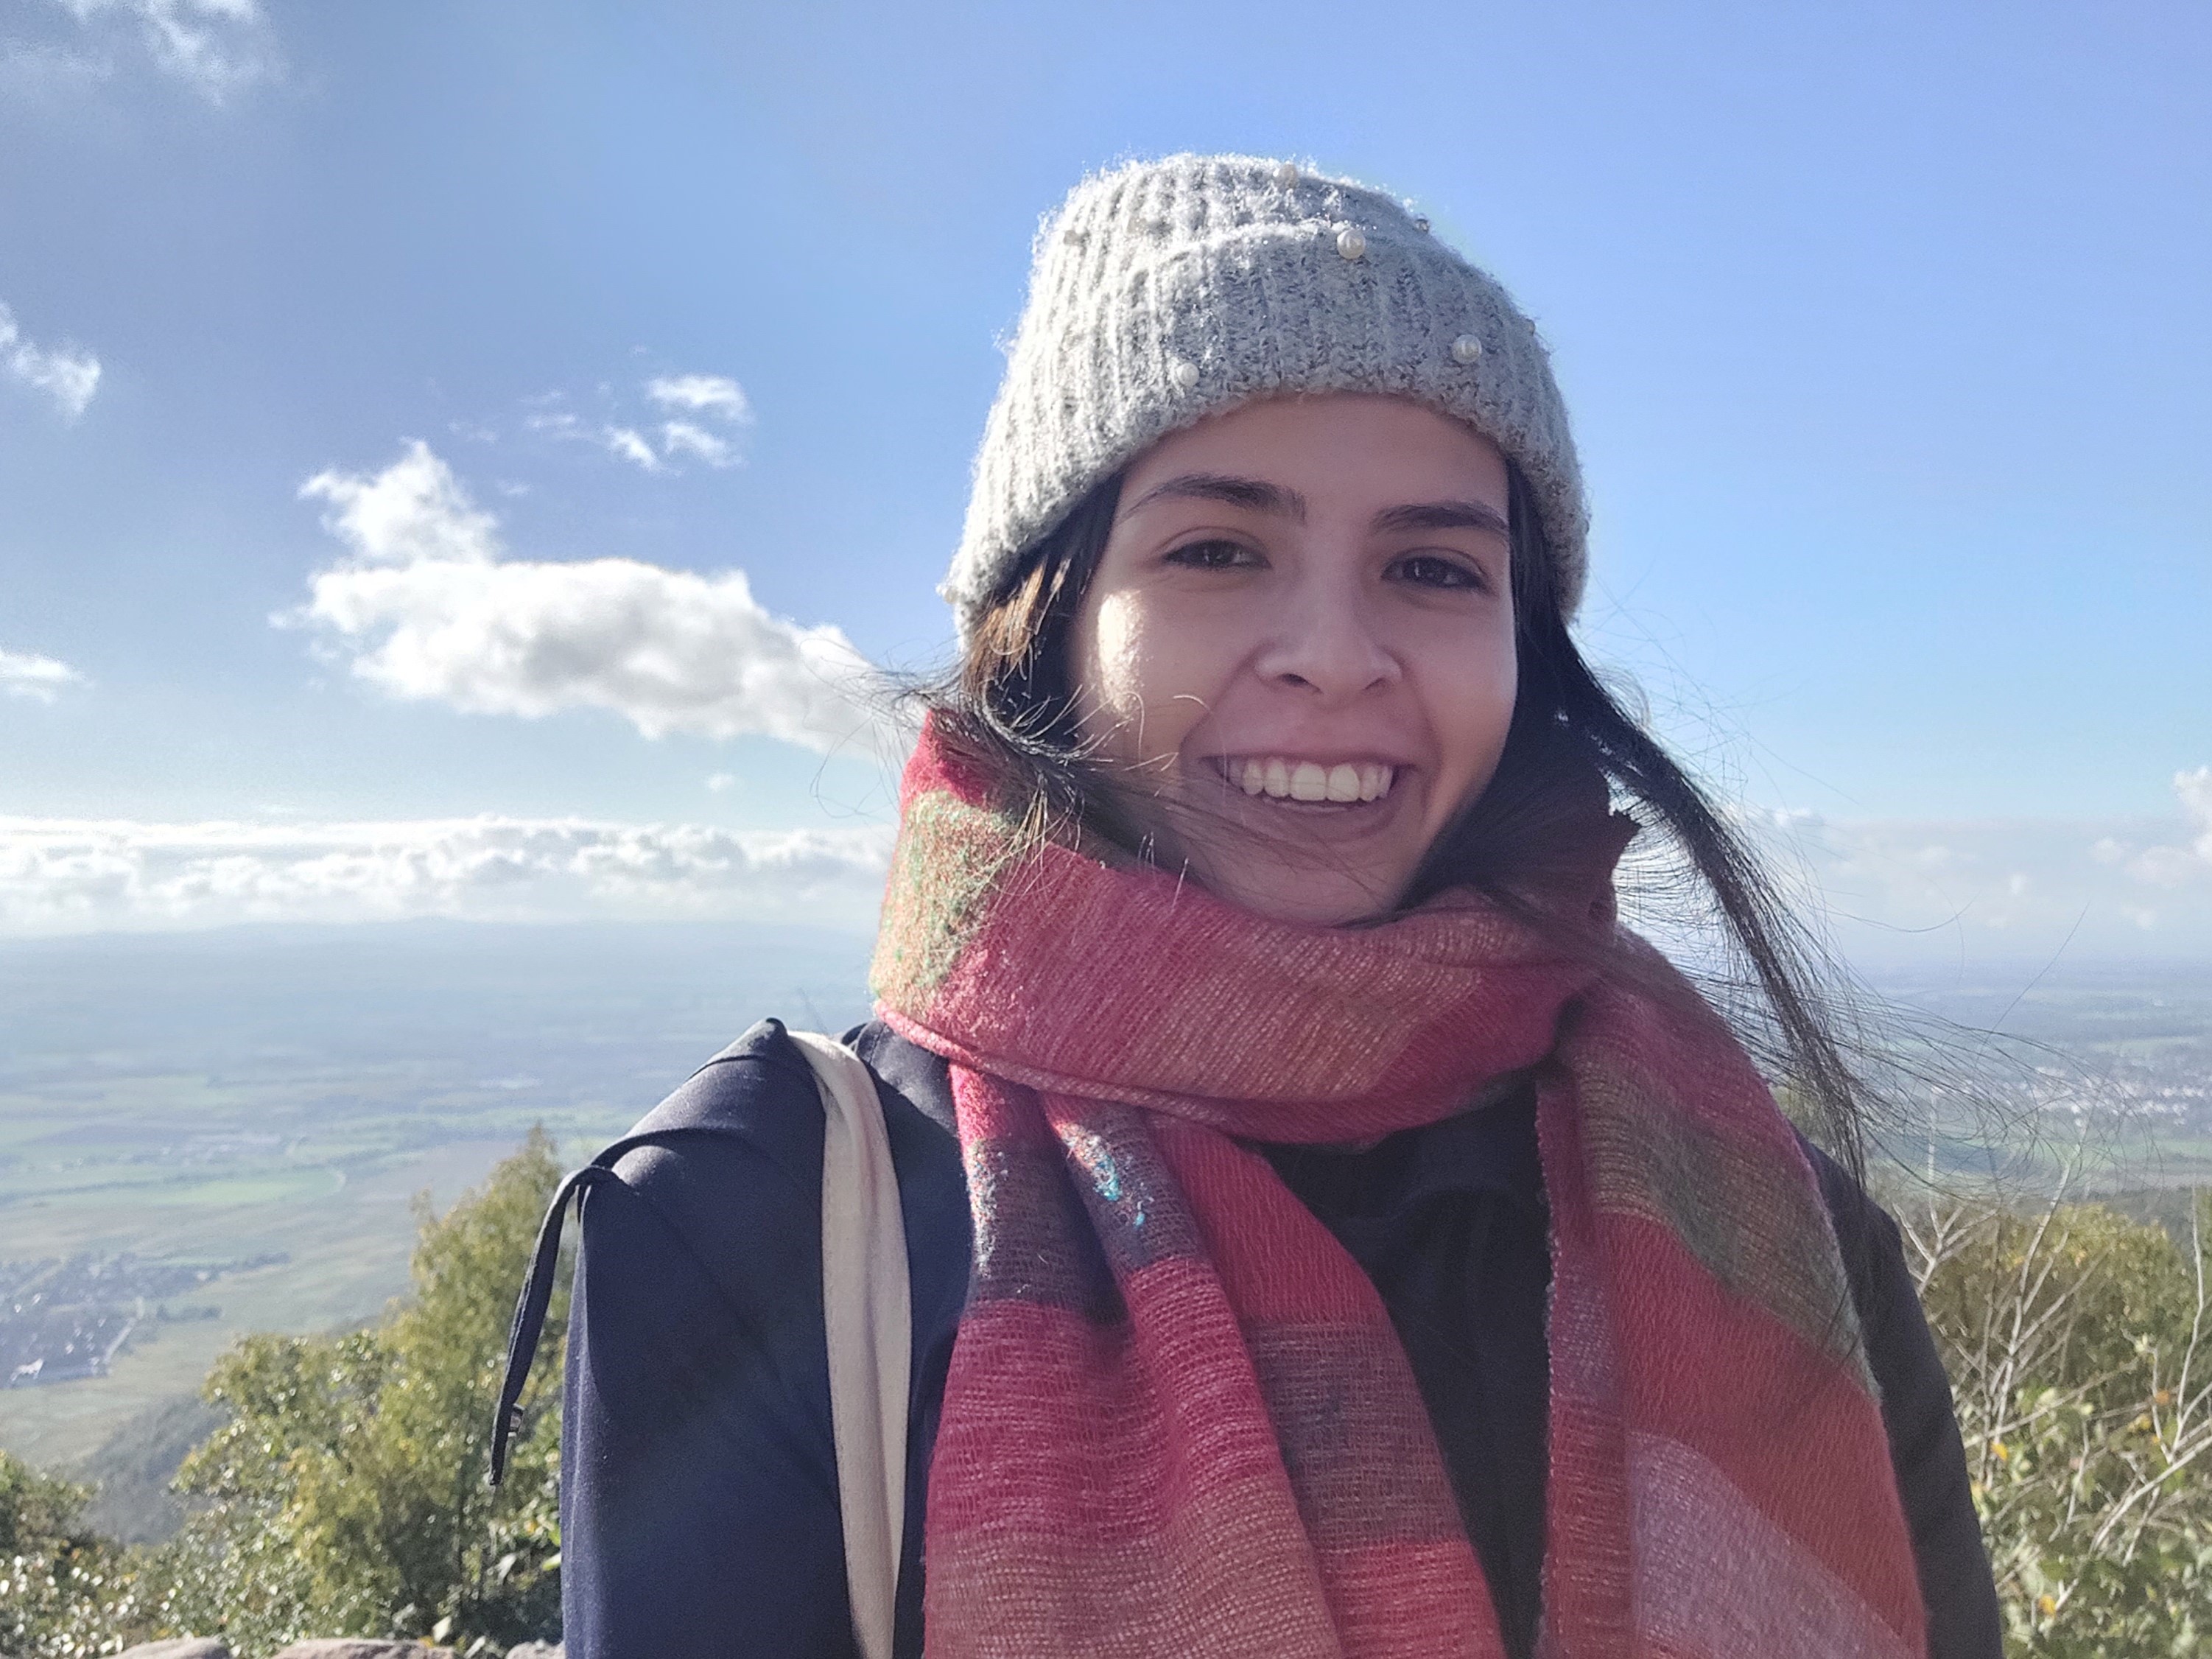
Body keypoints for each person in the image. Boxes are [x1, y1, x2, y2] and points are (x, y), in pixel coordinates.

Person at [498, 153, 2002, 1658]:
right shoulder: (758, 1216)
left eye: (1430, 566)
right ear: (1047, 622)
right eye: (1216, 549)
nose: (1333, 654)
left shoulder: (1765, 1227)